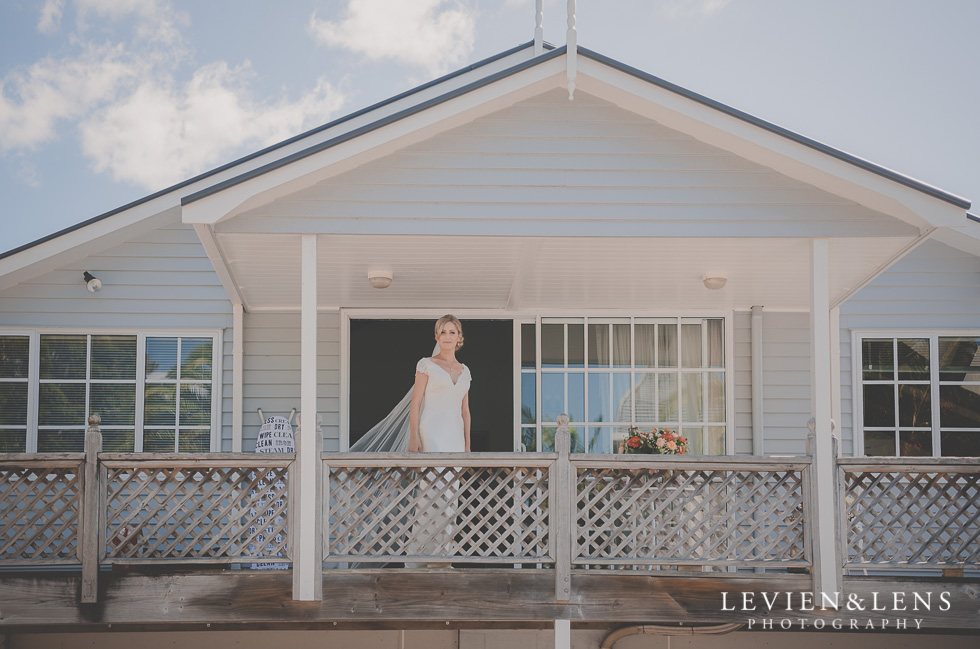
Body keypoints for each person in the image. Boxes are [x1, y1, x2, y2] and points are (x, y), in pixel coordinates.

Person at [409, 314, 472, 453]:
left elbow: (465, 411)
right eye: (443, 332)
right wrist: (414, 437)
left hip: (456, 434)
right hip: (432, 430)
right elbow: (416, 403)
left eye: (452, 332)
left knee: (454, 473)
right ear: (437, 337)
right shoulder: (426, 365)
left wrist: (468, 445)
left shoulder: (465, 371)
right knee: (433, 473)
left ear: (459, 337)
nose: (447, 337)